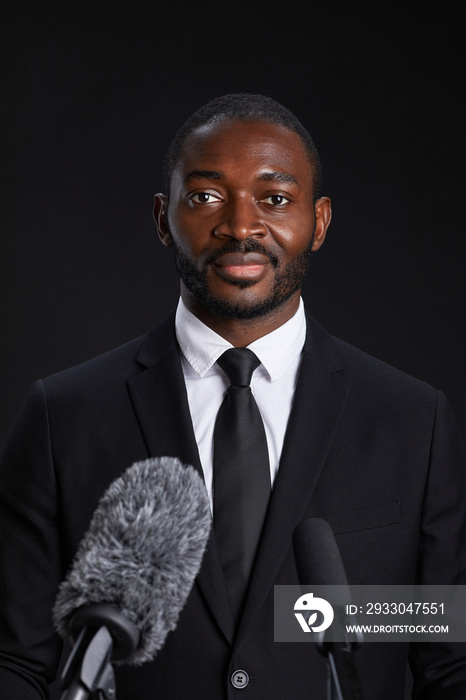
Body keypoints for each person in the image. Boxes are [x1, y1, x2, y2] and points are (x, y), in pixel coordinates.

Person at [1, 93, 466, 699]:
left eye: (274, 199)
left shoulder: (415, 425)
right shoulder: (62, 418)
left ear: (319, 222)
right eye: (206, 197)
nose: (241, 227)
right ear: (163, 219)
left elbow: (449, 662)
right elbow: (17, 662)